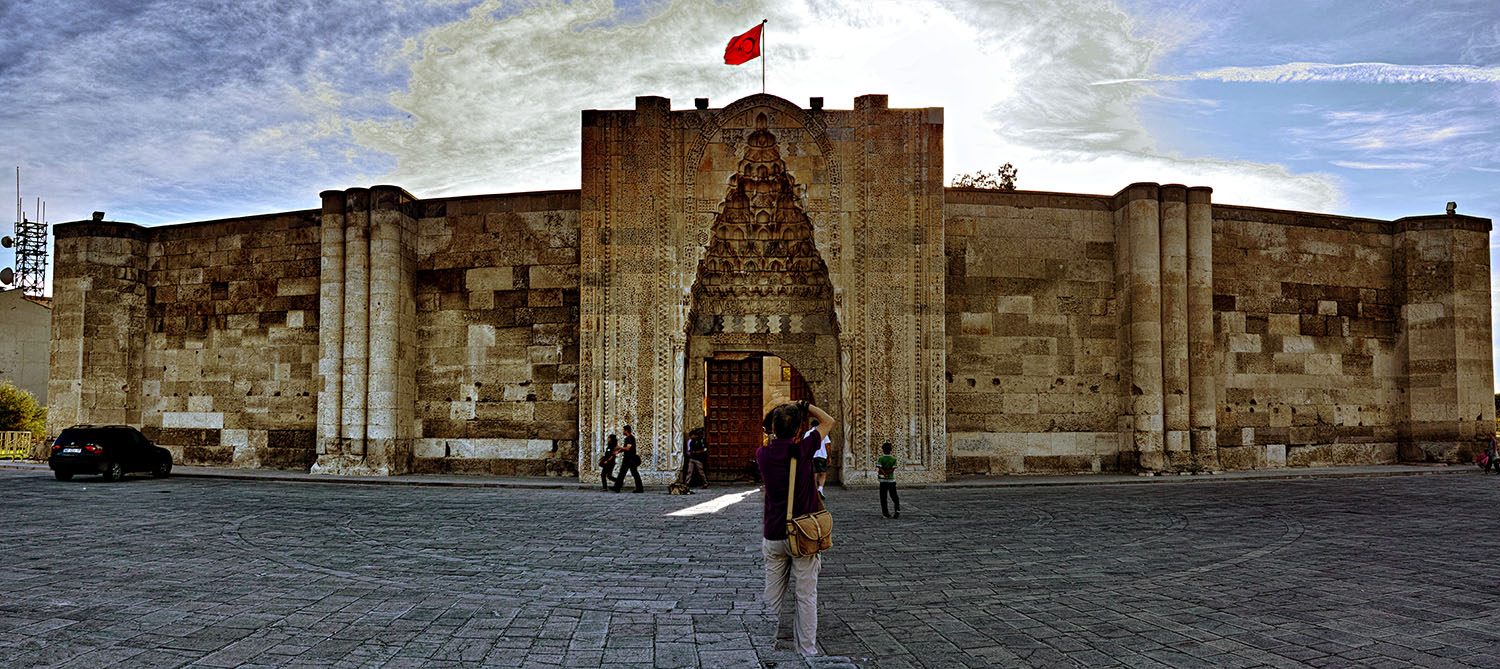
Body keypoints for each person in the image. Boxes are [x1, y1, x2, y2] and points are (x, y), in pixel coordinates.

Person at [756, 399, 835, 657]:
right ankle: (807, 650)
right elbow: (828, 422)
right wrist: (805, 405)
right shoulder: (803, 450)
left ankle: (765, 645)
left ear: (772, 430)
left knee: (771, 596)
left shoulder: (763, 454)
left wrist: (776, 418)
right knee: (806, 596)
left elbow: (769, 436)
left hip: (774, 533)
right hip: (803, 535)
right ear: (799, 431)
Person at [804, 419, 830, 496]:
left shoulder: (808, 433)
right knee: (823, 473)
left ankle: (814, 491)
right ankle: (820, 488)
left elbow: (805, 445)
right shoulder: (823, 433)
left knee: (814, 474)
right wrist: (829, 456)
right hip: (822, 455)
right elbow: (827, 445)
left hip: (812, 456)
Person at [613, 425, 643, 493]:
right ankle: (616, 487)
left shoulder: (631, 438)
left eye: (624, 430)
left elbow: (627, 448)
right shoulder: (627, 439)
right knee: (622, 473)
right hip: (627, 458)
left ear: (626, 430)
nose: (623, 431)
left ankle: (640, 488)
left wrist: (619, 447)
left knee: (635, 474)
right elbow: (625, 448)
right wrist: (618, 451)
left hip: (631, 459)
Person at [877, 441, 900, 519]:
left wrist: (884, 473)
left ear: (883, 450)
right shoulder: (893, 459)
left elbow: (880, 468)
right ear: (891, 450)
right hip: (891, 480)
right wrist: (888, 473)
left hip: (883, 480)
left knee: (883, 498)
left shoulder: (881, 458)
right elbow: (892, 469)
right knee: (894, 496)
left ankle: (885, 513)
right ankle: (897, 509)